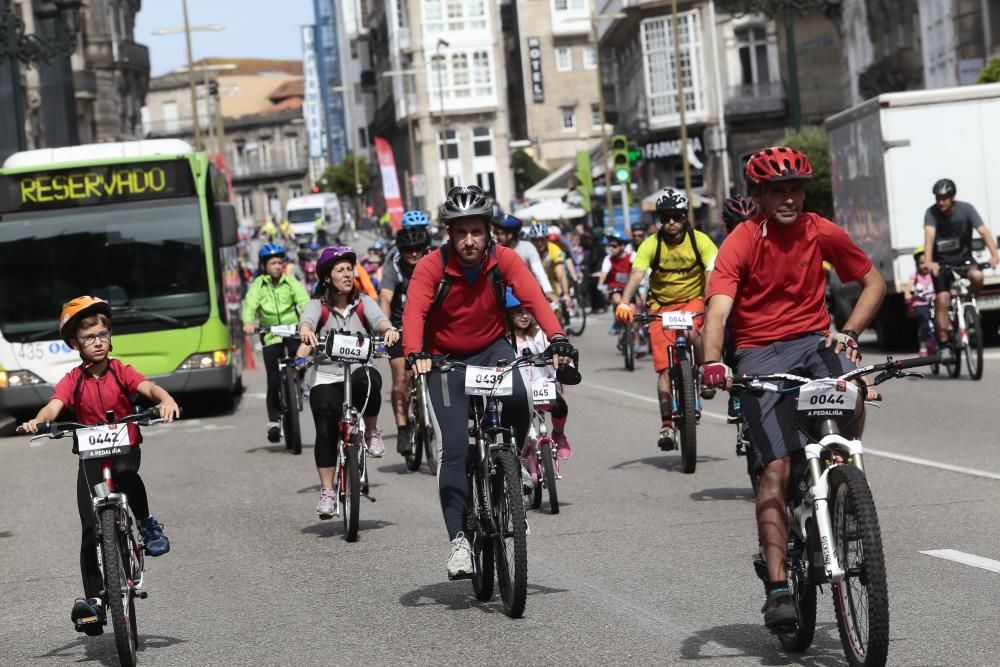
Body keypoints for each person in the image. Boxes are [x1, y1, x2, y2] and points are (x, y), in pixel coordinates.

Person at [700, 145, 885, 632]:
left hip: (813, 343)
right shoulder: (741, 240)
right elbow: (718, 310)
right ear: (758, 194)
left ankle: (841, 472)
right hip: (759, 352)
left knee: (854, 388)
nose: (788, 198)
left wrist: (848, 332)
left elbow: (873, 284)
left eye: (795, 189)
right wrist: (714, 361)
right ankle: (779, 585)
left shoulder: (820, 230)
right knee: (776, 470)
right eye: (777, 190)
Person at [402, 185, 576, 580]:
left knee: (520, 399)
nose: (468, 240)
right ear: (449, 233)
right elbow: (414, 310)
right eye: (460, 232)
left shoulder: (505, 260)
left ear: (488, 231)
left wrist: (558, 337)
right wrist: (415, 352)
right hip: (444, 359)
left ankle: (508, 468)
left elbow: (534, 300)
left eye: (476, 231)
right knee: (456, 448)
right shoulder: (430, 266)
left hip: (492, 350)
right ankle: (460, 541)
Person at [19, 296, 180, 635]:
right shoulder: (73, 379)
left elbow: (146, 387)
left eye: (103, 335)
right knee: (90, 528)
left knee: (125, 473)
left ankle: (147, 523)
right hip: (91, 457)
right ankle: (93, 599)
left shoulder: (121, 371)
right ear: (74, 344)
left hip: (123, 448)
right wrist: (39, 420)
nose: (98, 342)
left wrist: (164, 399)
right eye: (90, 337)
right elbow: (55, 405)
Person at [615, 188, 719, 450]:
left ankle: (705, 372)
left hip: (694, 301)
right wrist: (626, 301)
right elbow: (638, 273)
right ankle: (667, 425)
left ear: (685, 217)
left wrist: (710, 303)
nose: (671, 222)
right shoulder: (651, 244)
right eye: (665, 217)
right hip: (661, 307)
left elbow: (711, 273)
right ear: (659, 220)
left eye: (676, 216)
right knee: (663, 368)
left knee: (698, 333)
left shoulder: (701, 241)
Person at [298, 246, 399, 517]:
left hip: (358, 369)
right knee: (325, 429)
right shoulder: (318, 305)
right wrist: (306, 331)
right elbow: (306, 321)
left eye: (349, 269)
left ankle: (372, 431)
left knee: (368, 379)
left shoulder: (364, 301)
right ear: (327, 277)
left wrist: (388, 330)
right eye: (340, 270)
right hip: (327, 375)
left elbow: (379, 320)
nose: (347, 274)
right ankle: (328, 492)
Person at [922, 178, 1000, 360]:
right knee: (942, 300)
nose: (941, 202)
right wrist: (929, 261)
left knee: (978, 276)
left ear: (952, 198)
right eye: (938, 198)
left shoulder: (966, 209)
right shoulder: (931, 213)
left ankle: (967, 304)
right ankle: (944, 345)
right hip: (941, 263)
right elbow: (929, 238)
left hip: (964, 259)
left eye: (945, 198)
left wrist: (994, 254)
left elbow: (984, 232)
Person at [242, 244, 310, 443]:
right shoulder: (258, 286)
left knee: (301, 358)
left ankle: (300, 382)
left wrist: (308, 319)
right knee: (272, 379)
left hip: (292, 331)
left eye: (280, 262)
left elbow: (304, 301)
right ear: (263, 266)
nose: (277, 266)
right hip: (270, 334)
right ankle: (274, 421)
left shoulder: (291, 282)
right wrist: (248, 322)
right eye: (273, 263)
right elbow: (249, 306)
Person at [379, 225, 431, 455]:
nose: (413, 253)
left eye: (417, 249)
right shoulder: (394, 269)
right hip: (399, 328)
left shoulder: (432, 264)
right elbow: (385, 299)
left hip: (429, 327)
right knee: (401, 377)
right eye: (408, 249)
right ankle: (402, 427)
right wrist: (385, 326)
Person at [507, 288, 572, 462]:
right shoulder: (504, 341)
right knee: (516, 424)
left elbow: (558, 351)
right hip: (520, 390)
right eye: (518, 312)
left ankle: (559, 435)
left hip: (542, 386)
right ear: (508, 314)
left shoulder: (539, 335)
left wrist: (566, 365)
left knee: (560, 405)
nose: (524, 316)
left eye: (527, 311)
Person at [491, 212, 556, 300]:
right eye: (494, 233)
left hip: (527, 296)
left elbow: (538, 271)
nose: (495, 237)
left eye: (498, 234)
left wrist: (548, 291)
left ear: (510, 235)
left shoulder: (527, 247)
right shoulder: (493, 250)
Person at [598, 231, 637, 337]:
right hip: (615, 287)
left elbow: (639, 270)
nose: (611, 248)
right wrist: (600, 285)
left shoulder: (632, 256)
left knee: (633, 311)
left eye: (614, 246)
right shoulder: (608, 258)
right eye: (610, 245)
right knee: (617, 300)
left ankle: (634, 339)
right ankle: (617, 321)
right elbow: (604, 273)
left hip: (629, 287)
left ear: (623, 246)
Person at [526, 223, 572, 309]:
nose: (539, 243)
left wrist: (566, 294)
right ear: (531, 240)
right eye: (536, 240)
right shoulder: (528, 250)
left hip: (550, 281)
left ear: (547, 238)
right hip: (533, 283)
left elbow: (561, 273)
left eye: (542, 239)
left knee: (559, 275)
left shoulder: (554, 249)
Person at [904, 245, 937, 357]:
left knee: (940, 321)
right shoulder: (915, 276)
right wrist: (908, 297)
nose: (924, 266)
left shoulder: (933, 274)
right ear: (917, 264)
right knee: (924, 323)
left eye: (926, 262)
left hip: (934, 302)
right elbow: (908, 289)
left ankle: (940, 342)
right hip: (920, 303)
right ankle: (923, 346)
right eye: (921, 263)